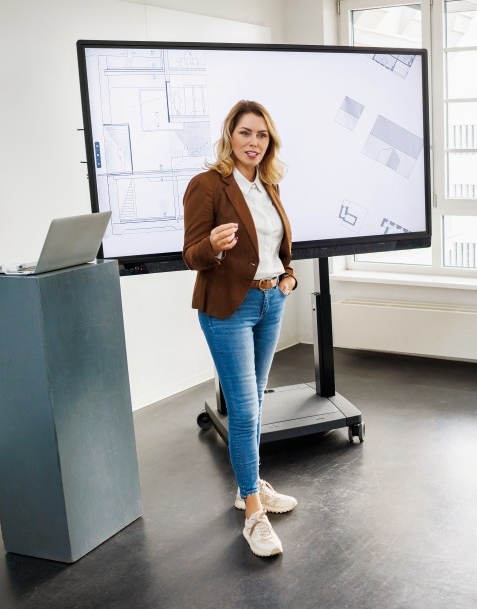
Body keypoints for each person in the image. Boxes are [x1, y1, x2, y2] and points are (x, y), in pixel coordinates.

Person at [183, 100, 299, 557]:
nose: (254, 143)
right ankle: (253, 512)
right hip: (228, 307)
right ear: (230, 135)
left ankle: (246, 486)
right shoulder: (207, 185)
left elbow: (276, 245)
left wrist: (288, 276)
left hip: (271, 300)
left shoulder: (269, 184)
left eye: (262, 136)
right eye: (246, 133)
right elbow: (190, 254)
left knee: (256, 402)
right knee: (246, 410)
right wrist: (211, 245)